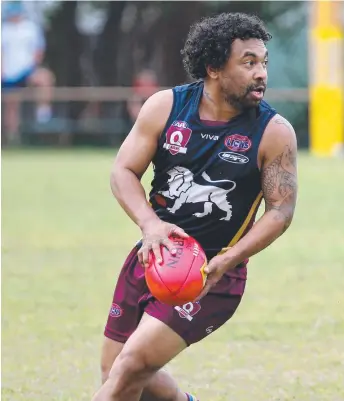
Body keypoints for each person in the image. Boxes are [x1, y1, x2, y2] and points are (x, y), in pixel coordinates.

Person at [92, 12, 298, 401]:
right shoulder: (165, 107)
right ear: (214, 68)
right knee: (116, 368)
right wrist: (150, 225)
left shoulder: (274, 132)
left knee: (130, 367)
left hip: (211, 276)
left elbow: (280, 211)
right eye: (249, 62)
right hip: (153, 257)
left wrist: (227, 260)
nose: (261, 74)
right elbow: (123, 171)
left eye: (264, 62)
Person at [1, 1, 54, 143]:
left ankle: (43, 115)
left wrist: (32, 66)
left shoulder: (30, 28)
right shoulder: (4, 30)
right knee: (11, 105)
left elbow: (38, 50)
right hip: (8, 74)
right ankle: (13, 137)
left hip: (27, 70)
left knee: (45, 78)